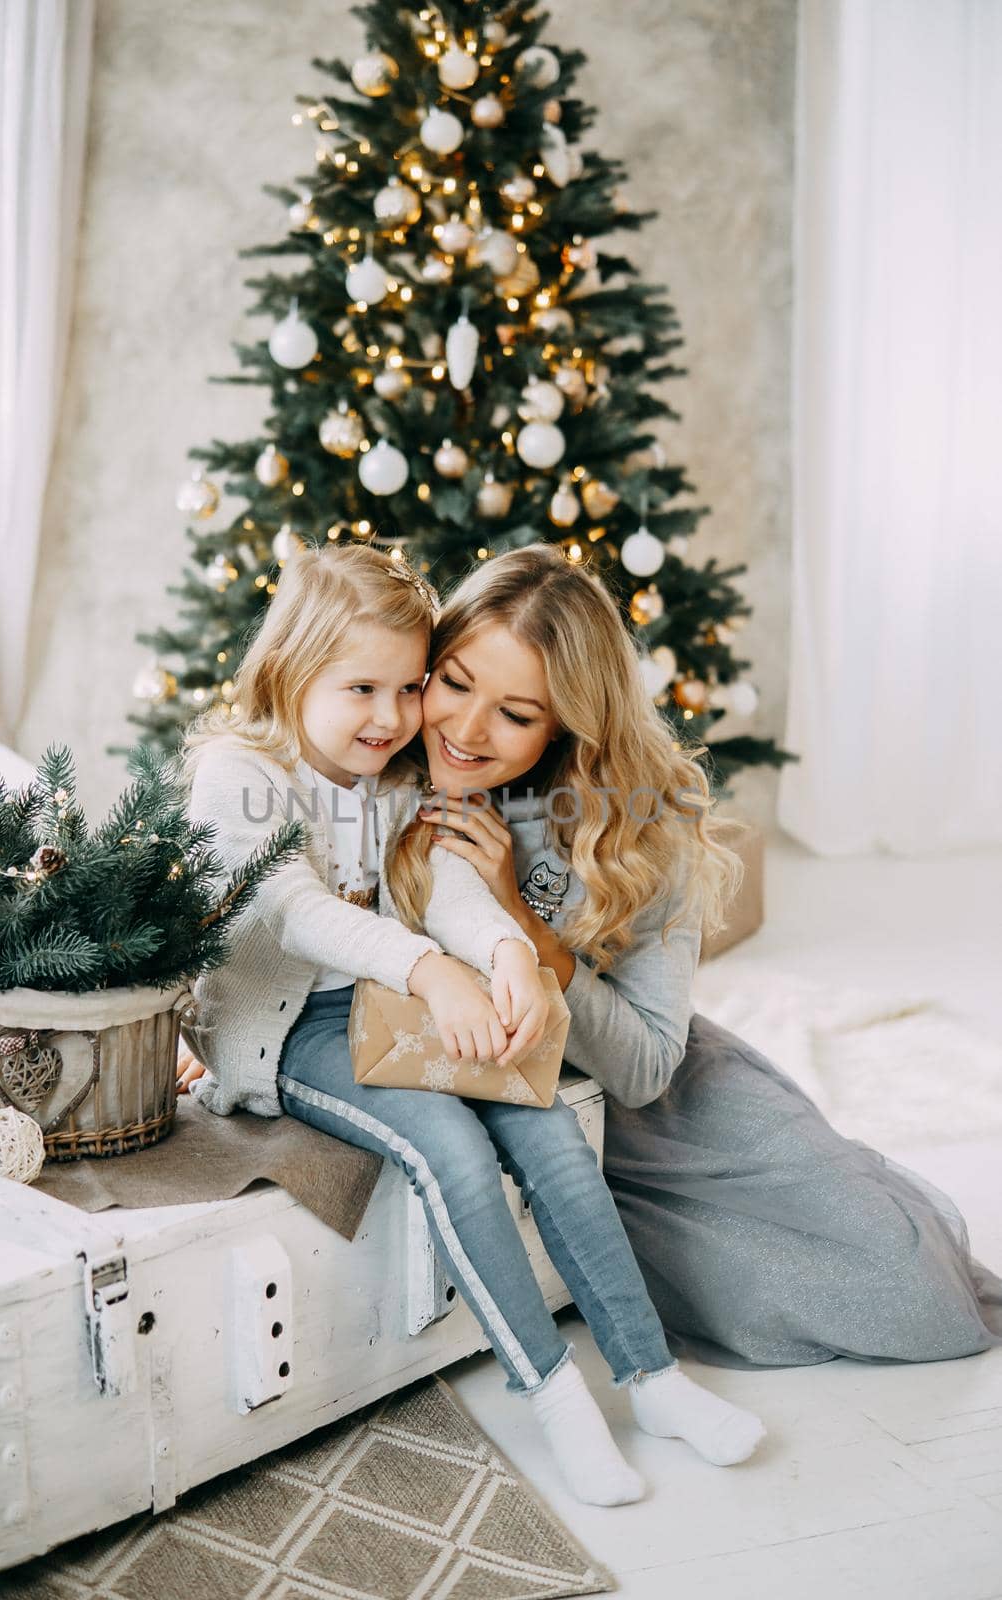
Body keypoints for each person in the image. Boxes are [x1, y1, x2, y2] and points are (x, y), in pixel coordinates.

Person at [179, 541, 765, 1508]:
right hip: (291, 1033)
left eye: (407, 689)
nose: (391, 716)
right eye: (361, 688)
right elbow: (291, 906)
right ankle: (556, 1398)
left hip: (398, 1004)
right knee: (451, 1149)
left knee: (545, 1127)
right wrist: (433, 969)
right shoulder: (244, 773)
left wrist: (506, 957)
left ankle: (652, 1378)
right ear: (290, 671)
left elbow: (448, 882)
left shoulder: (396, 778)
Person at [398, 543, 1002, 1372]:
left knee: (909, 1289)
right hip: (508, 1113)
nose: (465, 730)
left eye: (515, 712)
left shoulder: (642, 824)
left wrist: (527, 929)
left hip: (653, 1117)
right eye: (456, 682)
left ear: (569, 719)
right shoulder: (374, 761)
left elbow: (646, 1068)